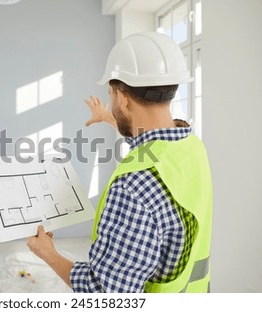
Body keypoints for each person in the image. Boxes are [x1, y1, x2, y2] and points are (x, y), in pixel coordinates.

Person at [27, 31, 213, 293]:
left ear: (122, 97)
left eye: (111, 95)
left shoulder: (132, 187)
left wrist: (48, 254)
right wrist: (109, 118)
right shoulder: (191, 147)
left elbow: (105, 292)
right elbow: (150, 145)